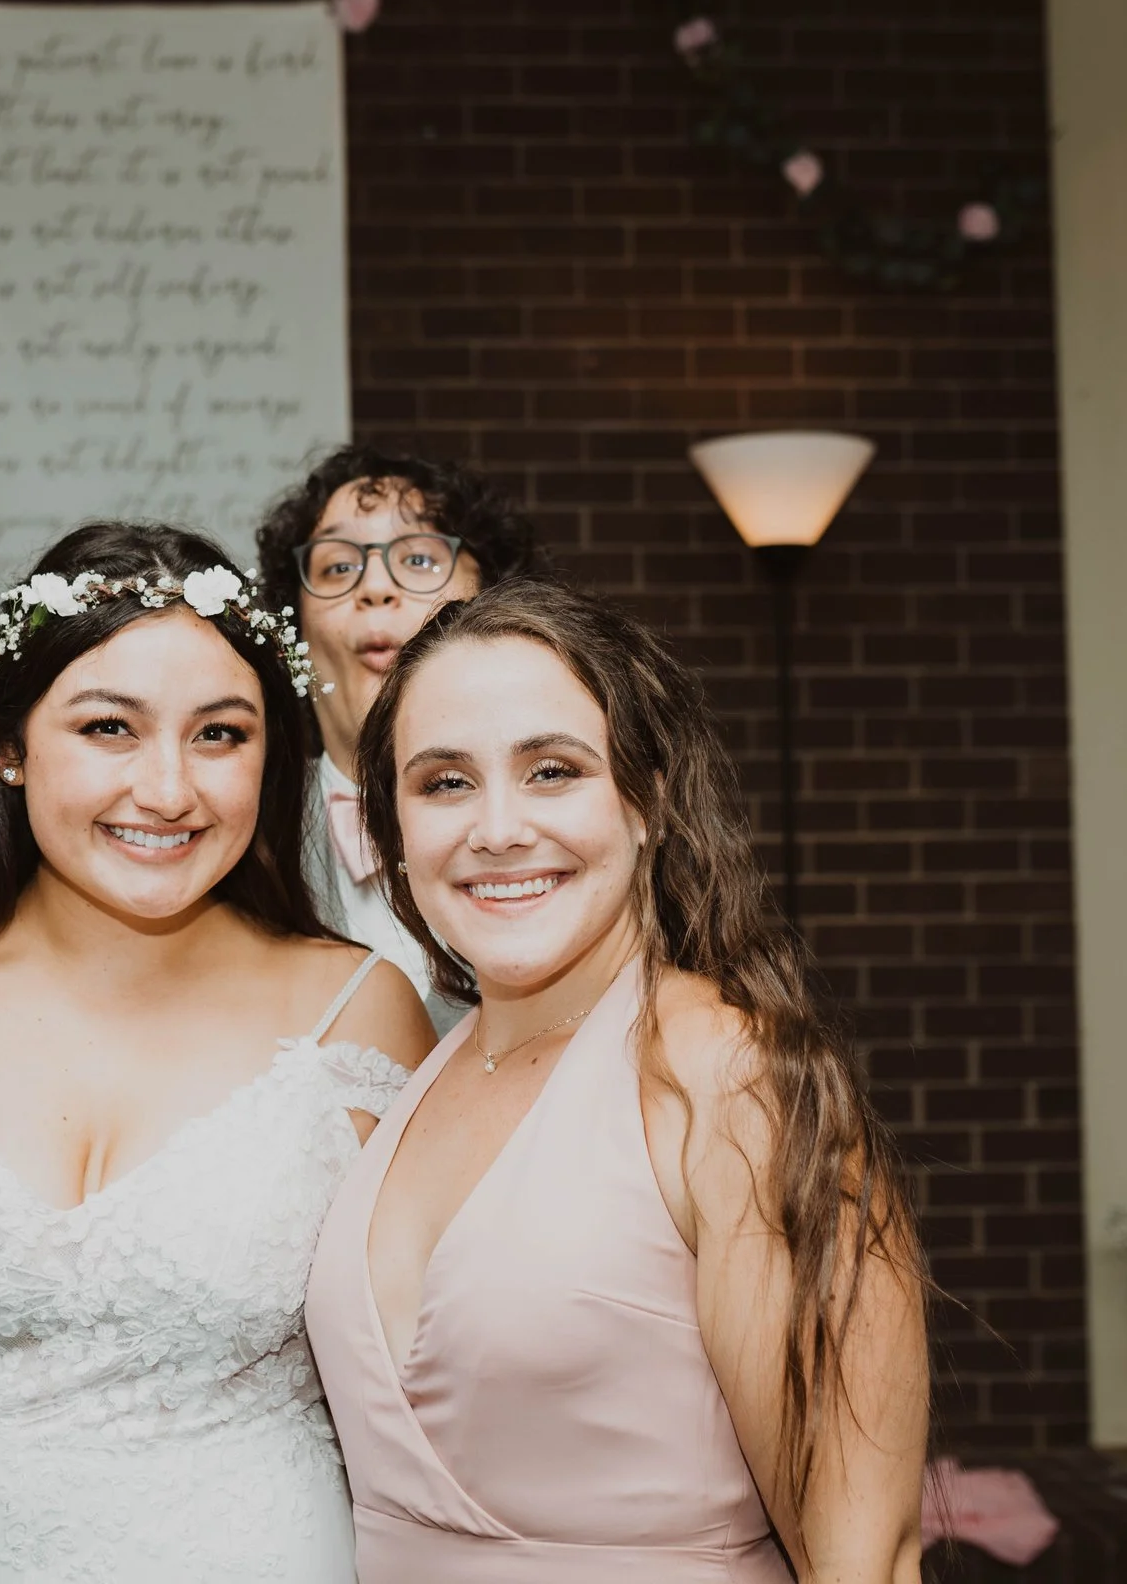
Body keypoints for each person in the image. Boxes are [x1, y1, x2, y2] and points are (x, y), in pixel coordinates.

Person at [305, 580, 929, 1580]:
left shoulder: (724, 1078)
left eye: (551, 771)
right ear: (395, 829)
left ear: (648, 800)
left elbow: (863, 1556)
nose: (496, 828)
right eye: (444, 783)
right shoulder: (428, 1065)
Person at [0, 522, 434, 1584]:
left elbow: (437, 1373)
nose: (166, 791)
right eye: (109, 727)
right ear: (10, 748)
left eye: (219, 734)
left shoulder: (356, 1010)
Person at [255, 445, 544, 1030]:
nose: (376, 587)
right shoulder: (244, 837)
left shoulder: (563, 823)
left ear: (490, 600)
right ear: (295, 629)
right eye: (338, 566)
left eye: (417, 559)